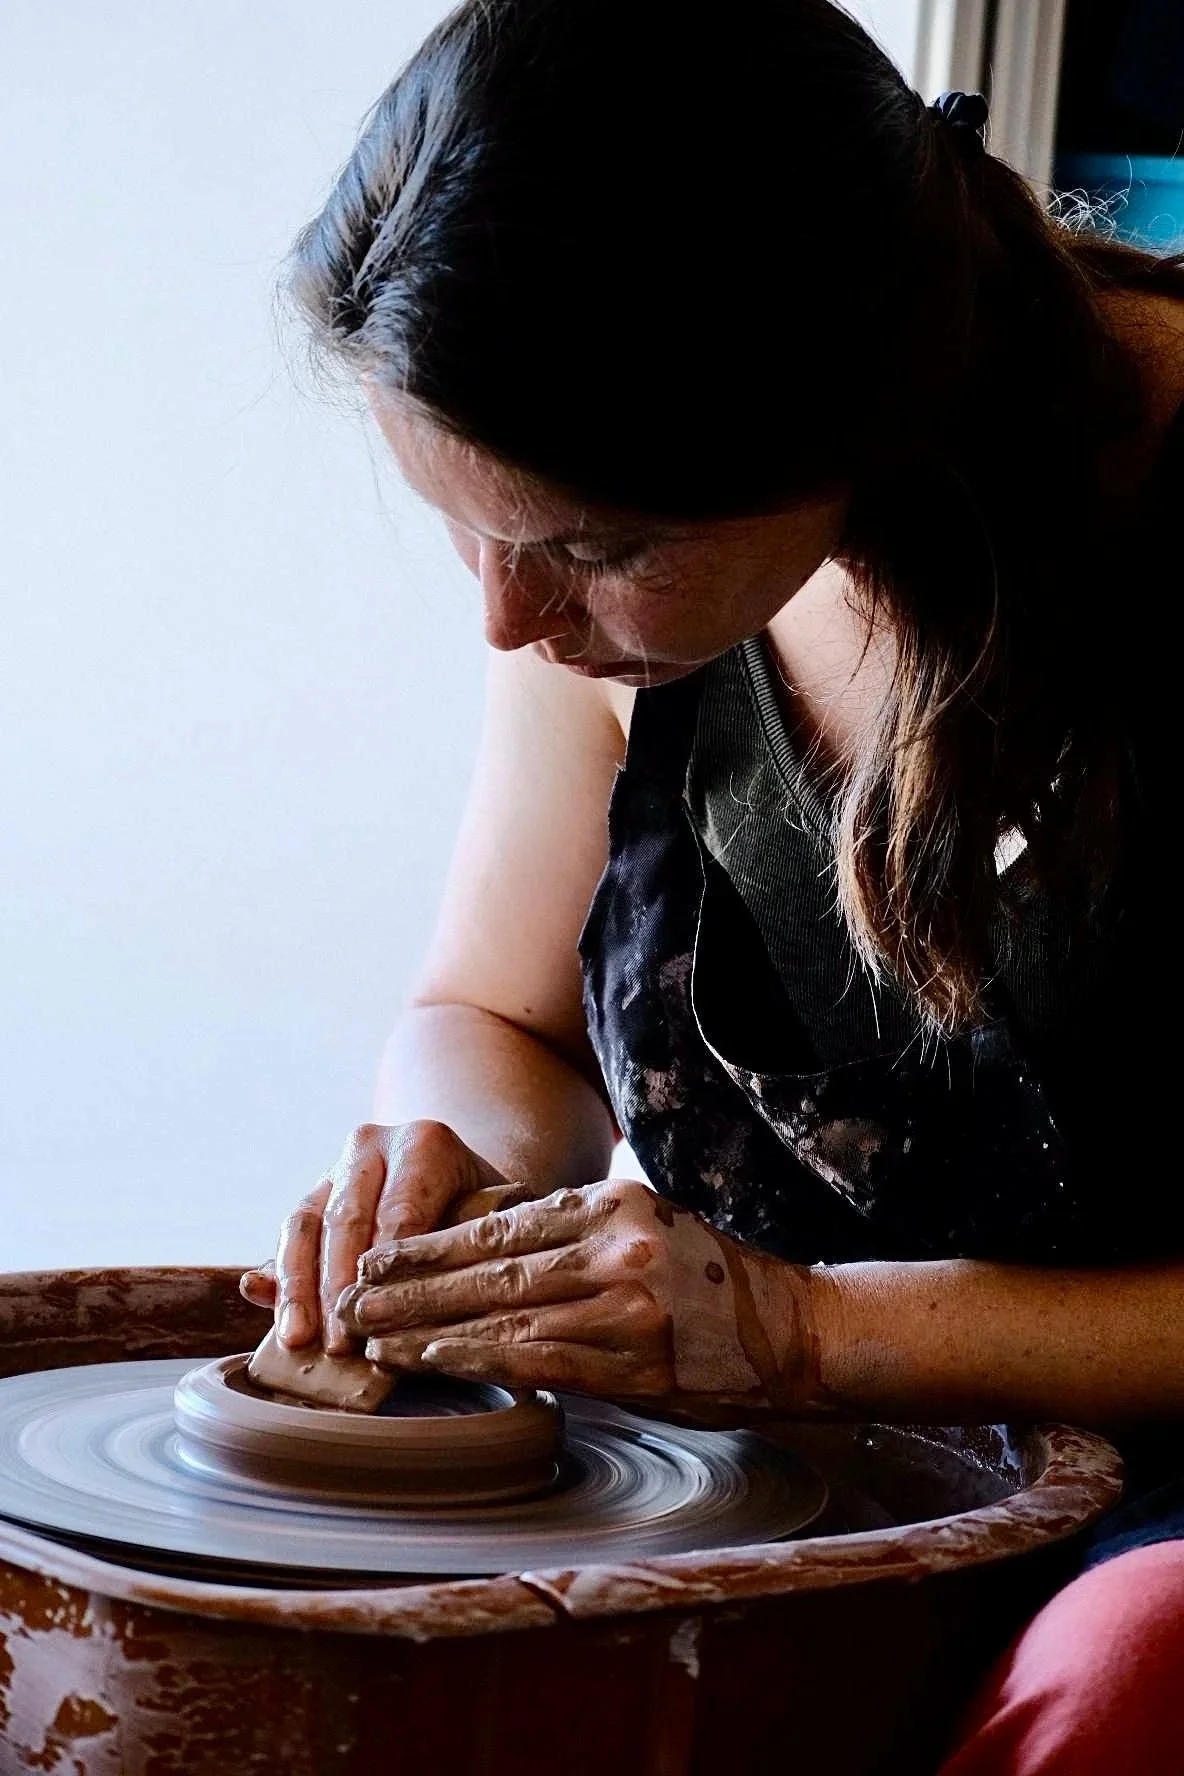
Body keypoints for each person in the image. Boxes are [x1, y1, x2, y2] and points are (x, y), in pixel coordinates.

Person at [240, 2, 1184, 1766]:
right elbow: (492, 1014)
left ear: (838, 418)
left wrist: (813, 1334)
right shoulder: (606, 552)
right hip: (811, 1465)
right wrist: (457, 1176)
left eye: (590, 548)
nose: (505, 623)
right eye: (470, 526)